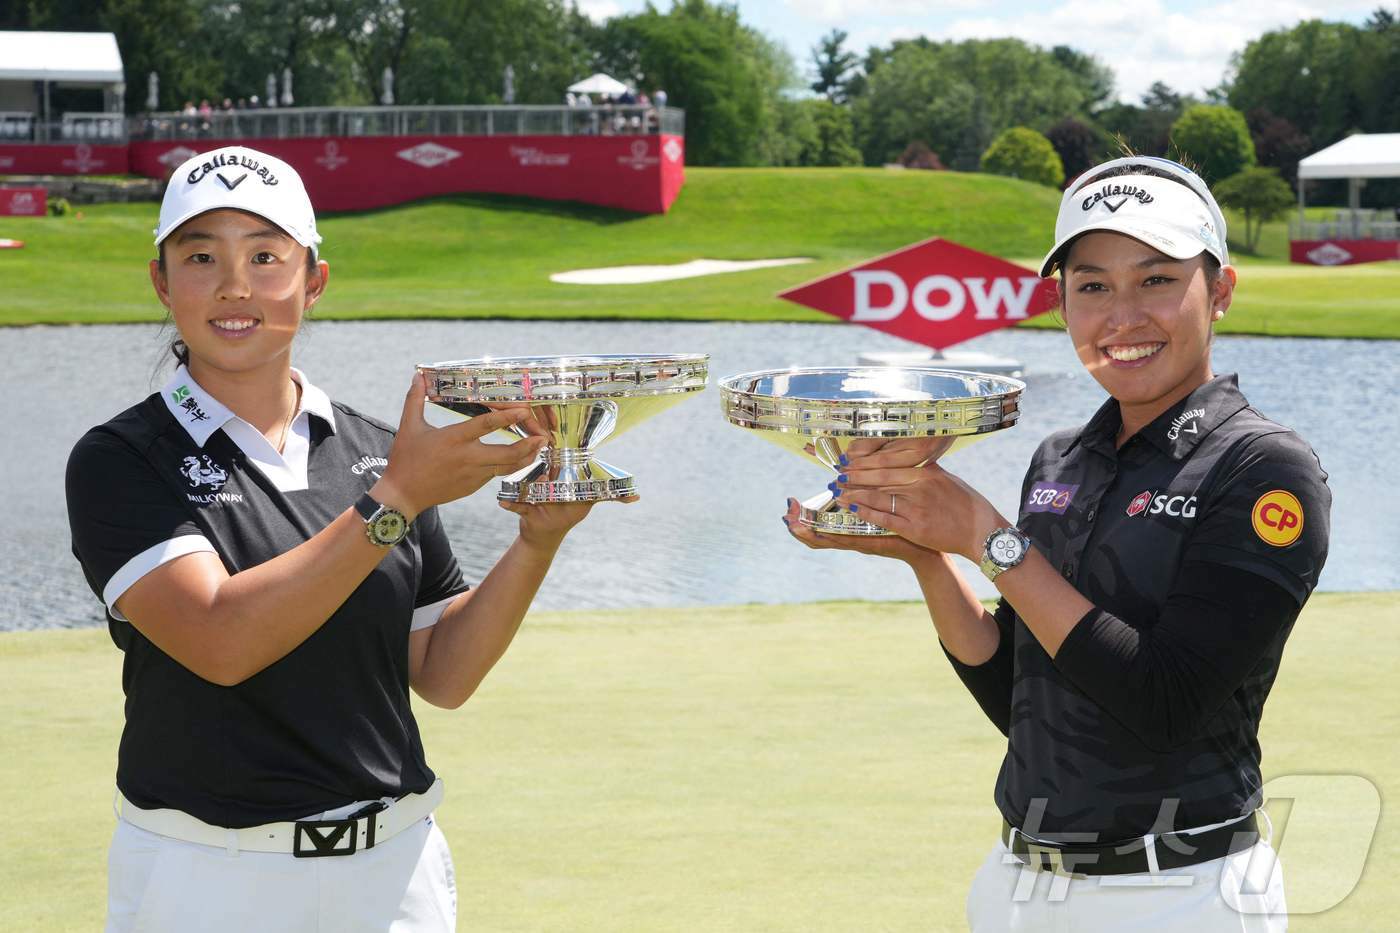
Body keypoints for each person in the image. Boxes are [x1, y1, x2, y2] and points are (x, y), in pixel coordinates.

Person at [66, 146, 621, 932]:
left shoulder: (377, 448)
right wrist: (397, 498)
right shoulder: (122, 458)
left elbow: (442, 672)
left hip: (393, 873)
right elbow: (221, 638)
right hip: (206, 876)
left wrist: (535, 544)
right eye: (201, 257)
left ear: (314, 281)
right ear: (162, 281)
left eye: (266, 256)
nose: (234, 285)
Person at [783, 155, 1330, 931]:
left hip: (1180, 891)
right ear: (1060, 305)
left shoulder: (1264, 468)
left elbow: (1165, 703)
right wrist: (928, 554)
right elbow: (1023, 693)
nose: (1123, 315)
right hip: (1018, 886)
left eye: (1157, 279)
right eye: (1093, 286)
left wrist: (987, 535)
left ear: (1222, 293)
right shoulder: (1060, 458)